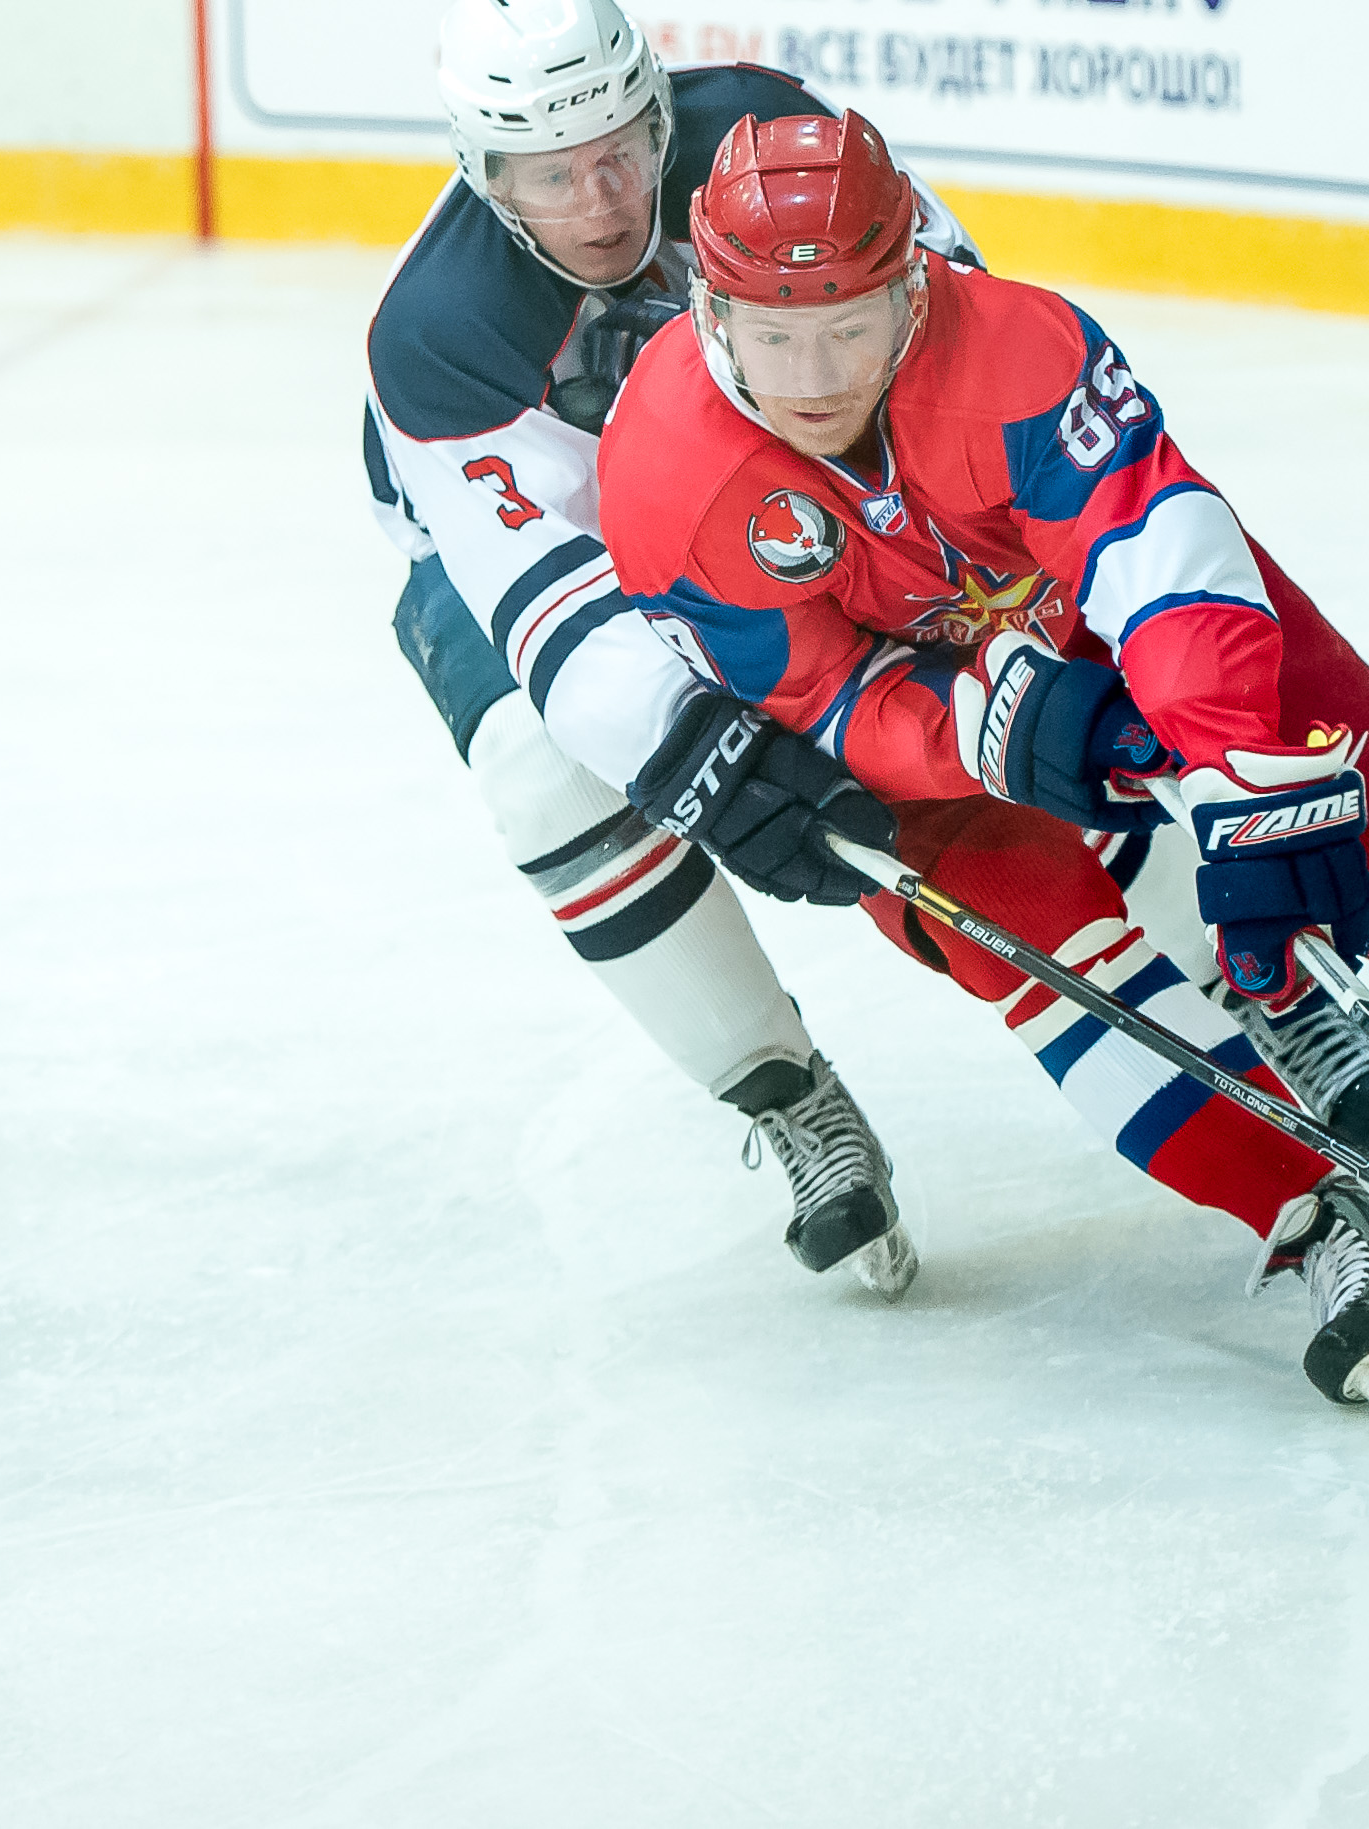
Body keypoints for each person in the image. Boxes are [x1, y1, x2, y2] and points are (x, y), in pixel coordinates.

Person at [595, 113, 1369, 1405]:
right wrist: (1004, 730)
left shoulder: (1017, 347)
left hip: (1119, 634)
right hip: (936, 730)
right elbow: (823, 691)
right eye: (776, 334)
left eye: (847, 327)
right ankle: (1318, 1226)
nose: (813, 374)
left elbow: (1161, 569)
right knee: (1062, 973)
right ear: (711, 310)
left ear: (912, 285)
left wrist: (1237, 790)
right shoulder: (666, 468)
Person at [358, 0, 972, 1296]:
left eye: (623, 148)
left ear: (654, 110)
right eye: (552, 174)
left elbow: (952, 353)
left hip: (740, 475)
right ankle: (783, 1087)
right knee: (541, 763)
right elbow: (562, 608)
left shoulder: (770, 140)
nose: (602, 199)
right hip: (540, 547)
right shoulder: (437, 332)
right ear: (486, 176)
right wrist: (705, 758)